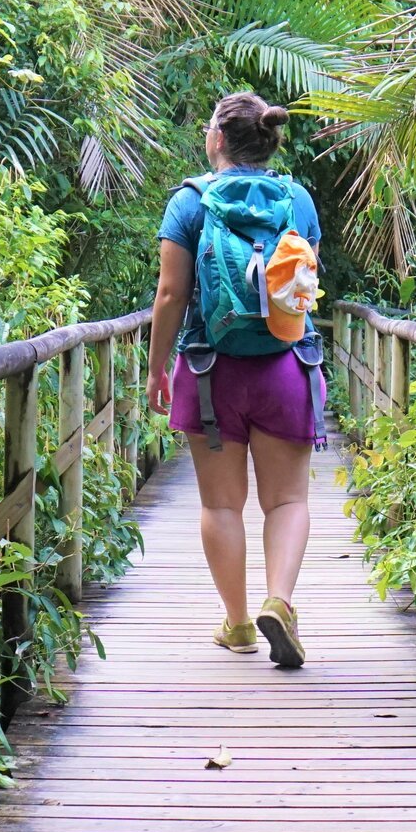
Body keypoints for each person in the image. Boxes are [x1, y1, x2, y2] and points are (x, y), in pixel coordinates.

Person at [146, 91, 325, 668]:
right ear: (269, 140)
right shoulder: (297, 200)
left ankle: (240, 624)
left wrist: (156, 367)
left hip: (208, 371)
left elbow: (172, 294)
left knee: (222, 505)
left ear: (217, 139)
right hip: (285, 368)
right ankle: (281, 600)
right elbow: (301, 291)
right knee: (287, 499)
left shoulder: (190, 202)